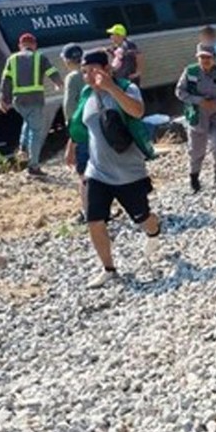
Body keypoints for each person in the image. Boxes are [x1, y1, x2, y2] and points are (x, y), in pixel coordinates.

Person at [68, 50, 161, 288]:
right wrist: (71, 146)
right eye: (84, 72)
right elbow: (82, 124)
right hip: (96, 171)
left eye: (93, 71)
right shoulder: (86, 94)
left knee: (142, 217)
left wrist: (110, 88)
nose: (88, 76)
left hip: (129, 172)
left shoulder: (126, 88)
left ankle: (154, 231)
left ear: (107, 69)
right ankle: (109, 269)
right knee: (94, 219)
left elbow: (137, 112)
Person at [175, 43, 216, 193]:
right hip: (198, 116)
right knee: (196, 150)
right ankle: (194, 180)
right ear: (197, 58)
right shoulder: (189, 72)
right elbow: (179, 92)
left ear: (214, 58)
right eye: (202, 57)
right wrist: (199, 101)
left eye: (208, 57)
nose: (205, 60)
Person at [0, 32, 63, 176]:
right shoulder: (40, 57)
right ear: (34, 45)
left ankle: (23, 147)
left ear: (20, 46)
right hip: (35, 99)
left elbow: (6, 80)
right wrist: (59, 83)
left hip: (19, 101)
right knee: (36, 132)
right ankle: (33, 166)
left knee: (27, 121)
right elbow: (52, 71)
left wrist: (3, 99)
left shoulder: (12, 59)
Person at [60, 43, 88, 222]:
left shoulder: (73, 77)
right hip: (97, 127)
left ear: (67, 60)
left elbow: (70, 108)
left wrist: (72, 137)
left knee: (84, 172)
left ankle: (88, 212)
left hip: (82, 129)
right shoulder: (91, 73)